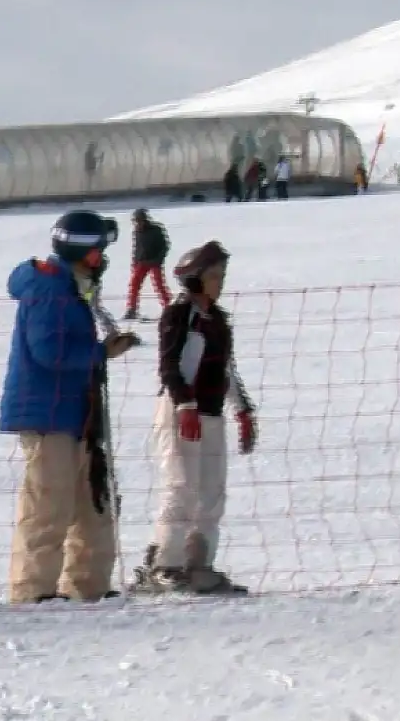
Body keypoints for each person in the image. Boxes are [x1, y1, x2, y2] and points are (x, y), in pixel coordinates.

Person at [0, 210, 139, 604]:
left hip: (78, 413)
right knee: (49, 505)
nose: (103, 259)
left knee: (92, 502)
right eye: (99, 251)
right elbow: (48, 351)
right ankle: (33, 592)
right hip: (47, 414)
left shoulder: (72, 286)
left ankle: (87, 586)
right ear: (85, 252)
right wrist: (101, 353)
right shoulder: (49, 289)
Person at [135, 241, 257, 595]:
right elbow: (169, 365)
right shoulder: (179, 314)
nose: (220, 282)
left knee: (212, 490)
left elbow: (226, 369)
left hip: (211, 413)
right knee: (182, 486)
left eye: (222, 275)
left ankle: (198, 562)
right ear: (194, 278)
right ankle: (164, 564)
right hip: (180, 412)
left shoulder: (217, 319)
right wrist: (184, 405)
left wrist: (243, 409)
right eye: (214, 275)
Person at [124, 208, 171, 321]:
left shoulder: (156, 229)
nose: (137, 223)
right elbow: (136, 248)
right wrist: (134, 262)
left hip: (154, 261)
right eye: (135, 221)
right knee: (134, 285)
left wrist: (158, 259)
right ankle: (132, 309)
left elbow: (165, 246)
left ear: (145, 220)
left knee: (159, 285)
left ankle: (169, 309)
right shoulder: (137, 232)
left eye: (139, 221)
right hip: (141, 262)